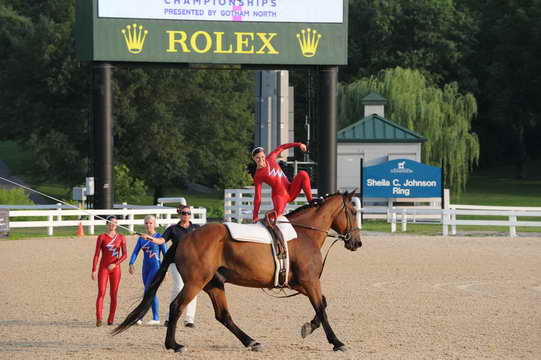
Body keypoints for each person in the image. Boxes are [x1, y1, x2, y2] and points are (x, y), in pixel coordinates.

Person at [143, 204, 199, 328]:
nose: (186, 215)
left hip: (193, 263)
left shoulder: (196, 228)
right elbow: (161, 241)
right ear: (179, 214)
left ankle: (189, 319)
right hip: (176, 261)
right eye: (184, 213)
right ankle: (169, 317)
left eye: (188, 213)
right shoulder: (173, 229)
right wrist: (149, 238)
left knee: (193, 289)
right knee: (178, 288)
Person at [250, 142, 314, 223]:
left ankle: (311, 201)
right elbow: (257, 197)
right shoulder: (258, 175)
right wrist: (255, 216)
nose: (261, 160)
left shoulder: (271, 158)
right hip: (279, 195)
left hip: (290, 189)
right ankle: (266, 219)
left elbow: (282, 147)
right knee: (279, 212)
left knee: (303, 174)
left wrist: (299, 144)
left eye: (262, 157)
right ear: (253, 158)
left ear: (265, 155)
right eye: (257, 158)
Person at [128, 215, 167, 326]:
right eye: (146, 223)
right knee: (150, 292)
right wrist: (131, 263)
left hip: (156, 267)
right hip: (145, 268)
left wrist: (165, 270)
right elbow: (136, 252)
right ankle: (155, 318)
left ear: (154, 224)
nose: (148, 225)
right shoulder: (141, 238)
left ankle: (141, 316)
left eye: (150, 223)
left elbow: (166, 254)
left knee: (148, 291)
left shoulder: (159, 237)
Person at [91, 216, 127, 327]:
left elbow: (125, 255)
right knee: (101, 292)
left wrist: (115, 264)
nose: (112, 225)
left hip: (115, 269)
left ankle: (111, 319)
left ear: (117, 225)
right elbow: (97, 254)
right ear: (107, 224)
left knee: (113, 294)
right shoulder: (102, 237)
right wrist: (94, 269)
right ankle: (99, 318)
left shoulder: (121, 237)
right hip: (104, 268)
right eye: (110, 223)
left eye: (115, 223)